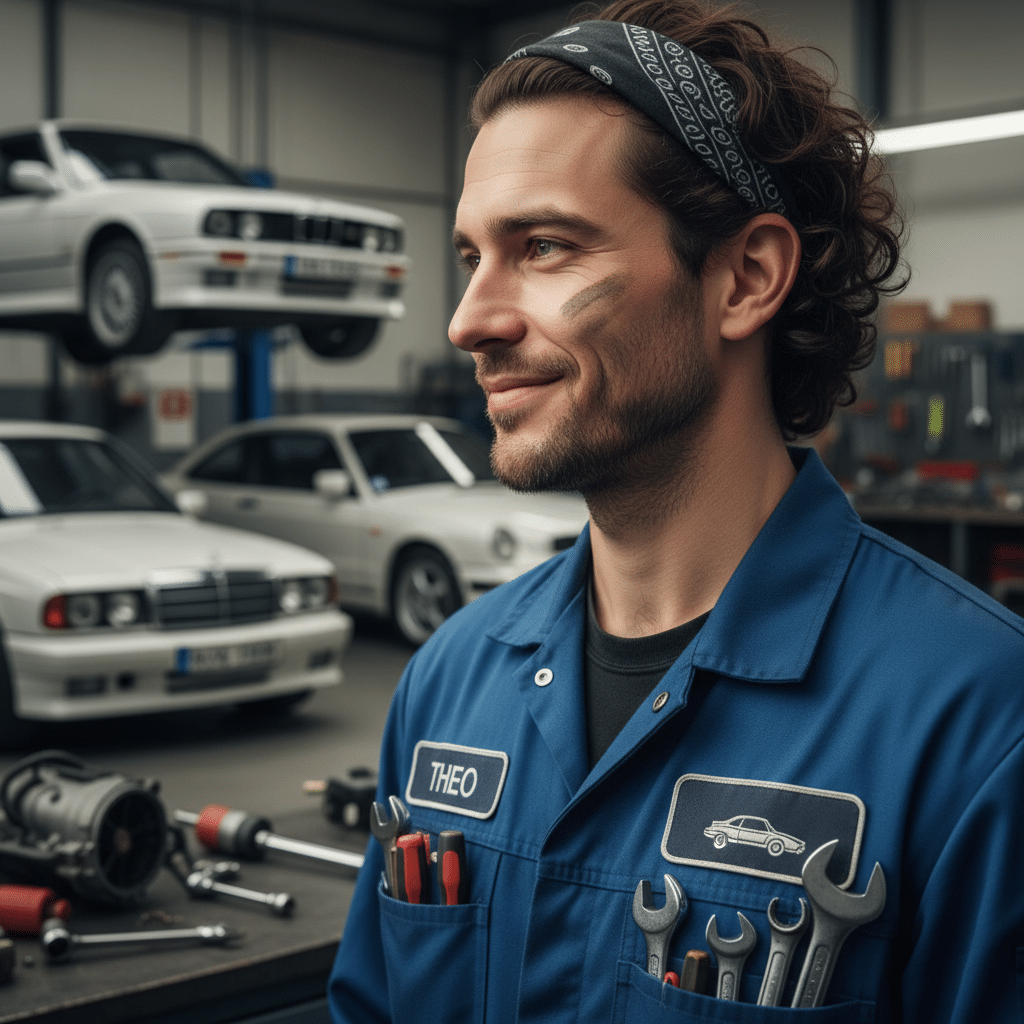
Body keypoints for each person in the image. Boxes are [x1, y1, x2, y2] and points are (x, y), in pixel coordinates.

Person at [328, 1, 1024, 1019]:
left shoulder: (978, 722)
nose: (470, 318)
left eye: (547, 246)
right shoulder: (445, 682)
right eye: (474, 254)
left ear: (744, 278)